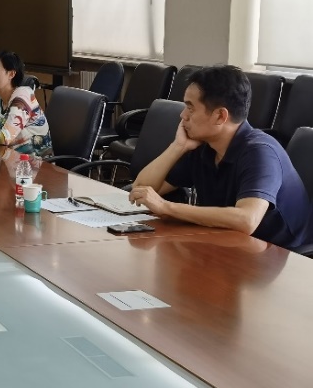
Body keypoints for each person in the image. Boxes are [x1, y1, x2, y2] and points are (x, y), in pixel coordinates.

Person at [129, 65, 313, 251]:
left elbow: (247, 220)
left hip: (282, 253)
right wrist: (177, 147)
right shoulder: (204, 145)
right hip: (231, 241)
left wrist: (166, 207)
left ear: (220, 116)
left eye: (190, 108)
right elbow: (141, 190)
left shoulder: (260, 152)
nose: (183, 115)